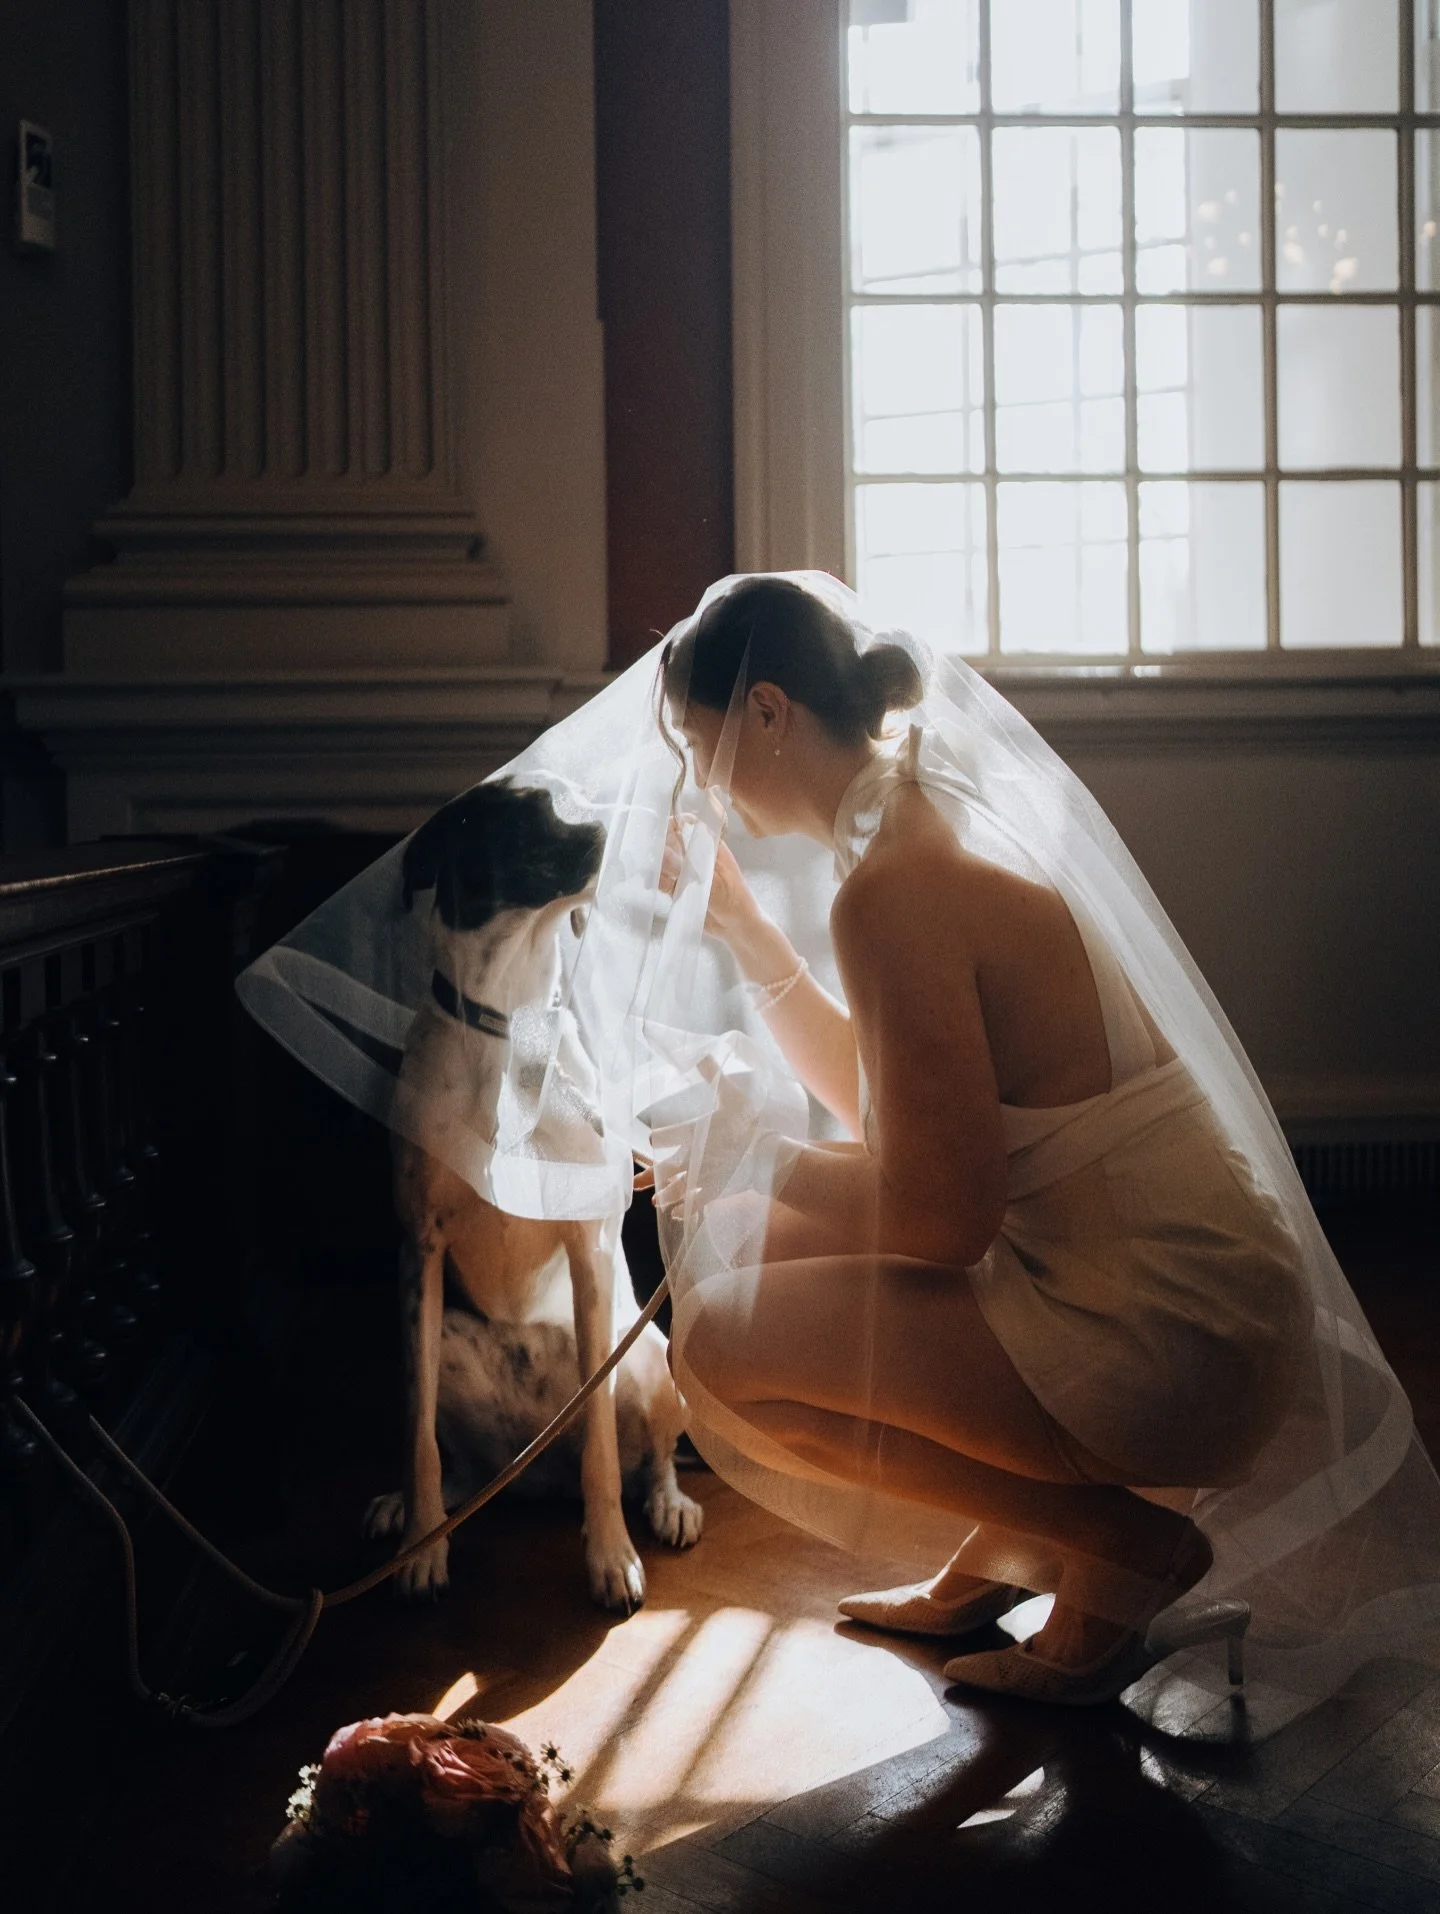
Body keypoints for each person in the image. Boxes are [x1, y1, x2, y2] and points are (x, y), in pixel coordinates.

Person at [239, 570, 1440, 1708]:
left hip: (1165, 1334)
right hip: (1193, 1295)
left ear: (767, 712)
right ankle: (1009, 1547)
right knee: (756, 1259)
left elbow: (942, 1217)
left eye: (697, 747)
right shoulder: (913, 822)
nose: (699, 787)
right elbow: (898, 1121)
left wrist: (740, 1151)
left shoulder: (894, 887)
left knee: (722, 1354)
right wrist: (749, 941)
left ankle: (1115, 1544)